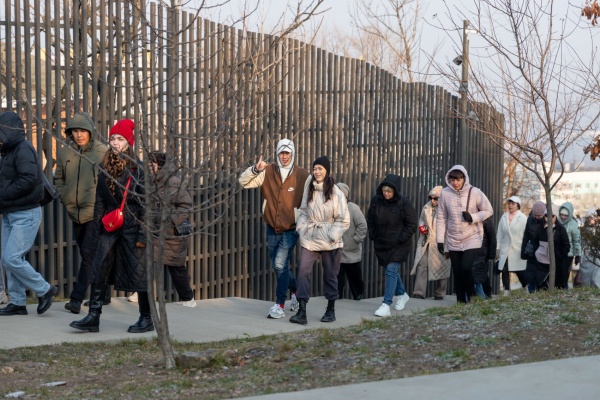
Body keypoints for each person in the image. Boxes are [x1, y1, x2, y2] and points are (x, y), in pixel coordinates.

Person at [69, 119, 151, 333]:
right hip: (110, 228)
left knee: (139, 274)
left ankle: (147, 318)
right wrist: (96, 232)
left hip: (132, 229)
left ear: (129, 142)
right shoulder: (104, 167)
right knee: (99, 269)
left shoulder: (139, 170)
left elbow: (147, 206)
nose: (115, 143)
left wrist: (143, 236)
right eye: (113, 138)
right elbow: (100, 202)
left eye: (120, 139)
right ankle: (93, 316)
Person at [239, 139, 310, 319]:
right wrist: (255, 170)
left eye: (287, 153)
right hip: (271, 226)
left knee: (279, 264)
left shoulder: (303, 175)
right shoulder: (268, 171)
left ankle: (279, 305)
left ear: (292, 154)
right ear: (277, 153)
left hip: (291, 228)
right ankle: (295, 290)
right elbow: (243, 182)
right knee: (279, 266)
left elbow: (312, 196)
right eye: (281, 153)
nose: (284, 156)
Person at [0, 111, 57, 316]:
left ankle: (45, 290)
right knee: (8, 259)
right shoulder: (7, 151)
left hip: (26, 214)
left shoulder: (23, 148)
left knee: (12, 258)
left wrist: (2, 195)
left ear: (8, 131)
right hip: (10, 213)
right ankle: (17, 302)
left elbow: (28, 179)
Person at [55, 112, 109, 314]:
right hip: (74, 212)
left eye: (83, 131)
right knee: (90, 255)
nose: (79, 135)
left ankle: (76, 299)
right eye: (75, 131)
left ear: (90, 132)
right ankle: (103, 294)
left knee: (88, 255)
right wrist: (64, 197)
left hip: (95, 213)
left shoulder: (102, 152)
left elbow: (111, 182)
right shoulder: (65, 152)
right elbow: (58, 178)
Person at [290, 156, 349, 325]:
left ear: (327, 171)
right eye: (315, 168)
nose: (317, 172)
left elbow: (344, 219)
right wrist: (302, 228)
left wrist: (332, 234)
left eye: (320, 169)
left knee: (330, 275)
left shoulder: (336, 192)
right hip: (311, 236)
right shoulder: (309, 188)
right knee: (303, 271)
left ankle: (330, 309)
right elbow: (303, 211)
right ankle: (302, 311)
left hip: (330, 240)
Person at [436, 165, 493, 303]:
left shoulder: (475, 192)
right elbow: (441, 217)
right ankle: (461, 302)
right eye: (452, 179)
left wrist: (473, 217)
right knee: (457, 271)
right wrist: (440, 240)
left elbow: (489, 210)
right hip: (453, 238)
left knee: (466, 267)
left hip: (472, 236)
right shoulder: (445, 193)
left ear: (464, 178)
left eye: (458, 179)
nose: (455, 182)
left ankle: (472, 296)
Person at [148, 152, 196, 307]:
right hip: (155, 232)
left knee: (176, 268)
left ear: (160, 165)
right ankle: (141, 293)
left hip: (172, 234)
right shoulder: (151, 181)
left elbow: (186, 204)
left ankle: (188, 298)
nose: (149, 167)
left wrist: (171, 221)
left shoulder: (173, 182)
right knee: (147, 262)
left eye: (152, 164)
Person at [367, 174, 417, 317]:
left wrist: (401, 238)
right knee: (391, 271)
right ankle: (402, 294)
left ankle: (386, 304)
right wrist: (373, 234)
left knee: (391, 270)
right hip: (382, 243)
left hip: (399, 244)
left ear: (395, 190)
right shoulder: (376, 201)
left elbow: (411, 224)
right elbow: (370, 218)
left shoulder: (404, 202)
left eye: (389, 191)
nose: (386, 194)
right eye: (384, 190)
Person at [410, 186, 450, 300]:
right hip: (426, 241)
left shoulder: (448, 208)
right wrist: (422, 226)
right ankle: (418, 293)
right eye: (431, 198)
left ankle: (440, 293)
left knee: (442, 266)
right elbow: (421, 219)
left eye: (436, 198)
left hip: (442, 242)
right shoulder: (426, 206)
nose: (433, 200)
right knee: (422, 265)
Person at [336, 182, 367, 301]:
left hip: (351, 250)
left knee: (354, 277)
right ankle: (336, 298)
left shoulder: (353, 208)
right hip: (337, 250)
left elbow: (362, 226)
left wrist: (355, 241)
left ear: (346, 195)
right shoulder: (332, 208)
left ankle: (358, 296)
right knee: (337, 278)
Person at [530, 204, 570, 291]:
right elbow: (535, 242)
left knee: (557, 286)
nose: (549, 218)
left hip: (556, 263)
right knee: (541, 286)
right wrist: (536, 253)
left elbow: (566, 245)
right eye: (546, 215)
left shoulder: (560, 229)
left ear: (556, 216)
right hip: (541, 263)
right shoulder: (540, 228)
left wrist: (560, 257)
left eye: (552, 216)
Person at [496, 196, 528, 295]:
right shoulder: (504, 217)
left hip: (517, 249)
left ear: (518, 205)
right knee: (504, 270)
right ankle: (506, 290)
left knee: (519, 271)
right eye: (509, 203)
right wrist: (497, 248)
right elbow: (499, 234)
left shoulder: (523, 218)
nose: (510, 206)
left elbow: (526, 234)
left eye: (513, 204)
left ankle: (525, 286)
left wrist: (525, 247)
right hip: (505, 248)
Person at [522, 200, 546, 292]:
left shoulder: (547, 220)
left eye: (539, 216)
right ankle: (531, 292)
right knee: (530, 274)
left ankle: (541, 292)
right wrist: (523, 251)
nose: (537, 217)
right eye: (535, 215)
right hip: (531, 251)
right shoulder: (530, 219)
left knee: (540, 275)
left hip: (543, 251)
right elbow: (526, 235)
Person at [558, 202, 582, 289]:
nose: (563, 217)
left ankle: (564, 289)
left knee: (564, 273)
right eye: (561, 215)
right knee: (558, 273)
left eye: (565, 215)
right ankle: (559, 289)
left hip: (568, 254)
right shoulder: (557, 221)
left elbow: (576, 241)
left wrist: (577, 254)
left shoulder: (573, 225)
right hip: (557, 252)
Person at [473, 217, 496, 299]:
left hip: (481, 251)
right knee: (479, 274)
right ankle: (484, 295)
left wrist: (491, 255)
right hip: (472, 249)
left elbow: (492, 238)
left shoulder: (486, 219)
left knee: (478, 274)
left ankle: (483, 296)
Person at [580, 208, 600, 288]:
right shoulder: (584, 230)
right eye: (588, 218)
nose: (589, 220)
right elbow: (581, 243)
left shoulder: (598, 229)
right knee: (586, 279)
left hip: (596, 256)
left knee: (596, 278)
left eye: (591, 218)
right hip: (586, 256)